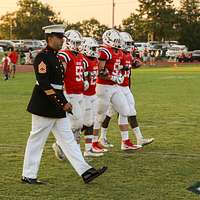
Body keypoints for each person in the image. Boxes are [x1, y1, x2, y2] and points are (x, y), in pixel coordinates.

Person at [21, 24, 107, 185]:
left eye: (63, 38)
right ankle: (28, 174)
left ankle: (85, 171)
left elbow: (59, 85)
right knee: (37, 139)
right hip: (44, 105)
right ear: (50, 38)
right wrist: (63, 103)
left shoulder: (56, 56)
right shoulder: (43, 57)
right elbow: (44, 84)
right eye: (59, 37)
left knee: (68, 140)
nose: (62, 40)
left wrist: (64, 102)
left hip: (57, 104)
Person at [100, 32, 154, 148]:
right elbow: (107, 69)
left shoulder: (126, 54)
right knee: (106, 114)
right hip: (115, 86)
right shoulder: (117, 53)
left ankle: (136, 139)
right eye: (127, 43)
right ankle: (101, 138)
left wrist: (134, 64)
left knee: (128, 112)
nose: (130, 46)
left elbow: (127, 66)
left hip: (124, 87)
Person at [92, 29, 130, 153]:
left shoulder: (118, 51)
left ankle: (126, 142)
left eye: (119, 41)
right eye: (116, 41)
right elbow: (100, 71)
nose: (118, 43)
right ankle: (93, 142)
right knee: (100, 115)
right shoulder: (104, 51)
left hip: (114, 86)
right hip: (103, 86)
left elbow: (116, 67)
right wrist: (112, 77)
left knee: (125, 110)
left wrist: (119, 72)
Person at [81, 37, 104, 157]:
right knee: (84, 122)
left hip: (92, 94)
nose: (95, 50)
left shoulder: (94, 60)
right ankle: (63, 141)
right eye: (93, 48)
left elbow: (98, 73)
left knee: (92, 121)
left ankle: (88, 149)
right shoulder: (83, 60)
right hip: (84, 96)